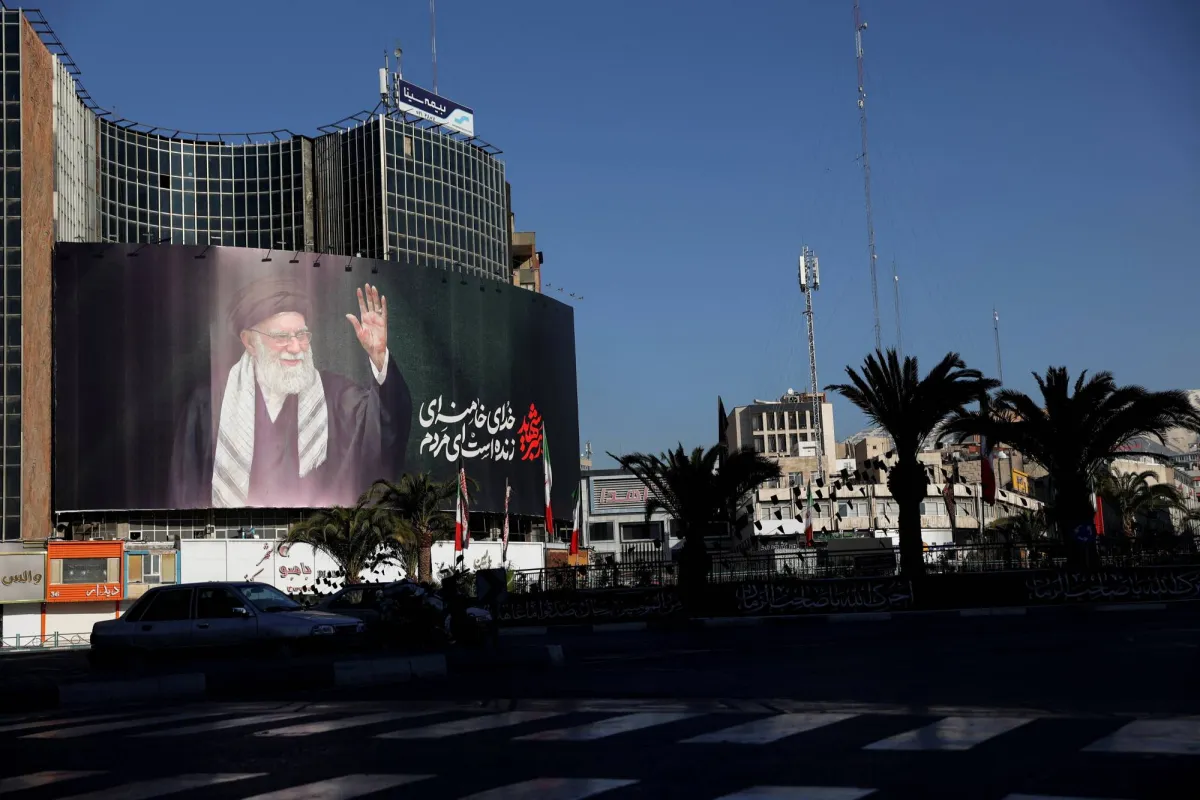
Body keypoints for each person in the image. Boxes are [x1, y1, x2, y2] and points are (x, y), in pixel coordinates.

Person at [168, 278, 412, 508]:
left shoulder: (334, 396)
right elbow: (186, 494)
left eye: (302, 335)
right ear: (250, 343)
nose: (296, 347)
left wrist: (379, 357)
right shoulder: (209, 405)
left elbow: (382, 424)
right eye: (281, 337)